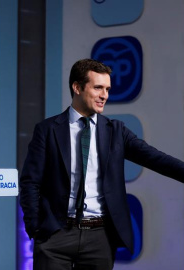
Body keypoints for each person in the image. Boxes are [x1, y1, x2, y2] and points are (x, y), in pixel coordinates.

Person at [19, 59, 184, 270]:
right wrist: (36, 227)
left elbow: (156, 158)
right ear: (77, 87)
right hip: (55, 236)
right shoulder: (47, 129)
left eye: (107, 89)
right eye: (98, 87)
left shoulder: (116, 131)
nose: (104, 95)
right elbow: (30, 182)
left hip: (99, 238)